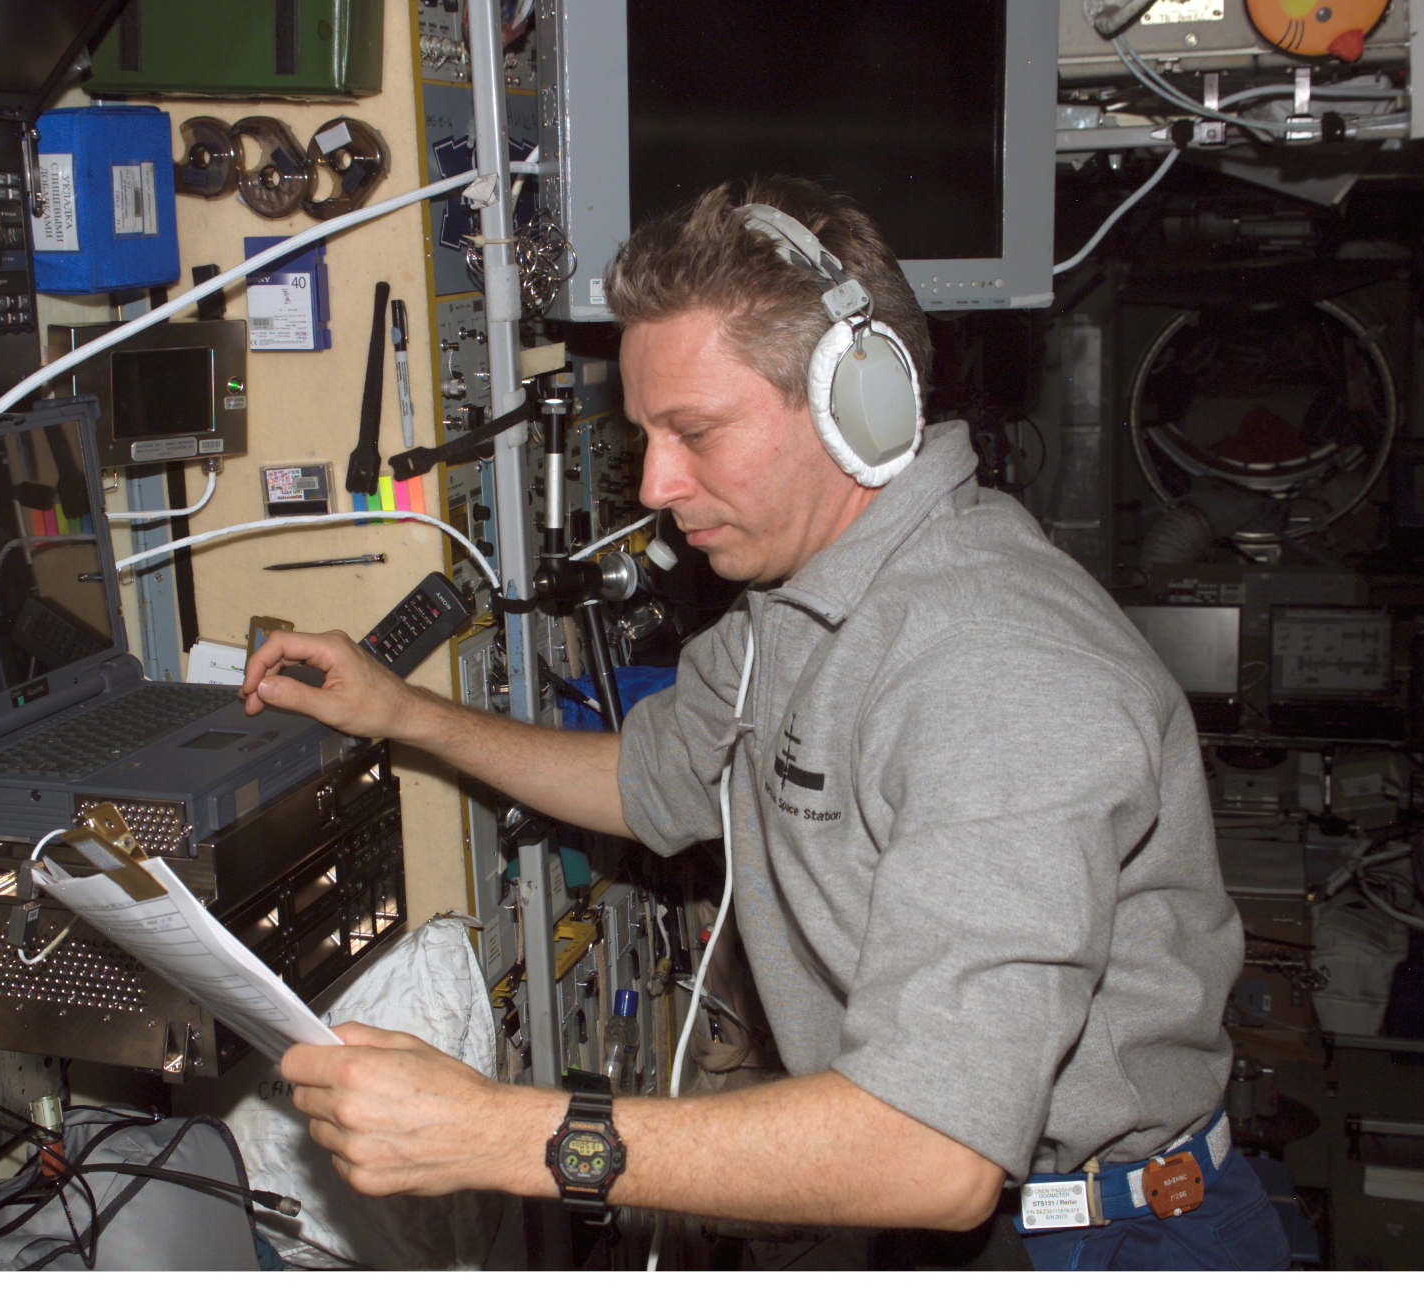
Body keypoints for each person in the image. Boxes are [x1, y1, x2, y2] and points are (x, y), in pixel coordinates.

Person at [239, 177, 1290, 1271]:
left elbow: (934, 1151)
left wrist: (494, 1131)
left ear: (861, 403)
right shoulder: (797, 605)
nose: (656, 481)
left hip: (1104, 1241)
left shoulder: (999, 671)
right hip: (967, 1225)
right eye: (644, 433)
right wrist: (402, 712)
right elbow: (649, 782)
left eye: (694, 431)